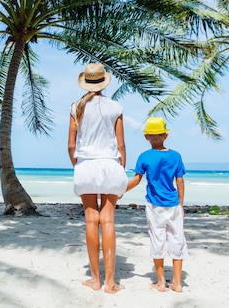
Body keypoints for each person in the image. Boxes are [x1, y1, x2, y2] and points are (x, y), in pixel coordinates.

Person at [68, 63, 128, 294]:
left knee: (91, 220)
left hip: (86, 165)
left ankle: (95, 280)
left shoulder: (76, 107)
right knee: (109, 220)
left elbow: (71, 144)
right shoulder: (115, 107)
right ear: (104, 82)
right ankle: (111, 282)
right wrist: (121, 165)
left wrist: (78, 166)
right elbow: (120, 144)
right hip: (109, 164)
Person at [125, 117, 188, 293]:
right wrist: (181, 205)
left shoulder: (144, 157)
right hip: (173, 205)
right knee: (177, 240)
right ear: (165, 135)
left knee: (157, 240)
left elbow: (137, 180)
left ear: (146, 137)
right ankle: (177, 283)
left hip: (154, 206)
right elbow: (180, 182)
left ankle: (161, 283)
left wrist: (121, 191)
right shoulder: (176, 156)